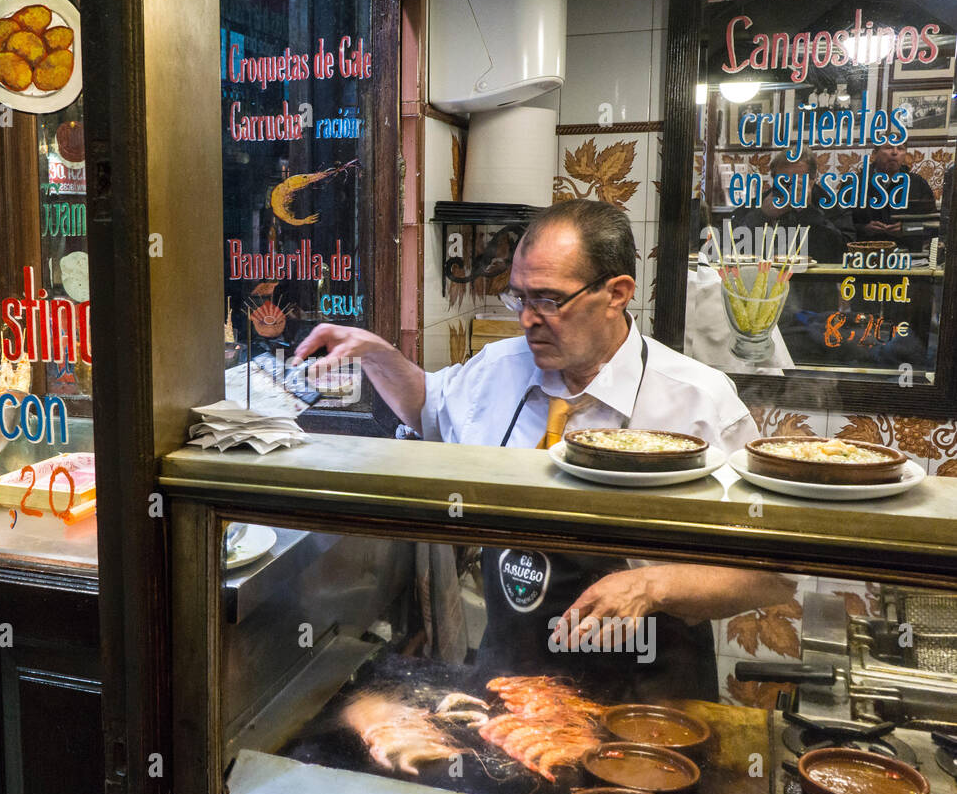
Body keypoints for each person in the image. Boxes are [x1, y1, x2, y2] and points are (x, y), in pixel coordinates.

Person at [295, 199, 795, 700]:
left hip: (649, 691)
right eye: (520, 299)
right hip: (515, 683)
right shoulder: (499, 368)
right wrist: (378, 354)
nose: (528, 320)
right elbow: (428, 406)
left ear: (617, 293)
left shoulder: (697, 402)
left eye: (550, 301)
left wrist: (653, 586)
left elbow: (767, 575)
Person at [731, 152, 851, 263]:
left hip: (815, 280)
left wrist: (808, 211)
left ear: (813, 180)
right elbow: (728, 245)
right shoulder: (760, 203)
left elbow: (845, 252)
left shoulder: (830, 205)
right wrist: (762, 214)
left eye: (798, 182)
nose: (789, 187)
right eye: (783, 181)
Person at [852, 143, 937, 253]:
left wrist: (907, 229)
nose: (895, 152)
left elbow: (933, 226)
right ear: (874, 154)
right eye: (888, 148)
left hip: (908, 255)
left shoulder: (918, 184)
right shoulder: (855, 183)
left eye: (900, 149)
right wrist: (864, 229)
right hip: (863, 253)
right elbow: (840, 226)